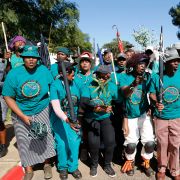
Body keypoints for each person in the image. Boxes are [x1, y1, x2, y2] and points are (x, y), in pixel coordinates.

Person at [2, 45, 56, 180]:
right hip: (21, 110)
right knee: (23, 140)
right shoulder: (14, 74)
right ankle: (28, 168)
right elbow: (8, 96)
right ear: (23, 58)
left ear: (38, 59)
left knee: (44, 136)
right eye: (28, 57)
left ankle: (47, 164)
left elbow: (53, 87)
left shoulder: (43, 70)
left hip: (41, 108)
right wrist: (21, 115)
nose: (31, 60)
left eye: (34, 58)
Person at [79, 65, 118, 178]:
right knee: (93, 143)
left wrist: (111, 106)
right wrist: (94, 108)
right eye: (104, 73)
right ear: (97, 74)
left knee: (110, 141)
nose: (107, 75)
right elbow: (84, 102)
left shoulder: (111, 85)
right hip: (92, 118)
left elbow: (116, 99)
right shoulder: (89, 85)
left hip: (106, 117)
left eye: (108, 73)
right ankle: (94, 164)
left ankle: (107, 165)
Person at [120, 53, 155, 177]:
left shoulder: (148, 76)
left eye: (144, 64)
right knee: (131, 144)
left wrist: (151, 106)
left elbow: (152, 92)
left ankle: (146, 162)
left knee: (150, 143)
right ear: (134, 65)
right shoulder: (125, 76)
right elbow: (125, 94)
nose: (143, 66)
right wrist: (133, 84)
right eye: (140, 64)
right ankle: (129, 161)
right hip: (130, 116)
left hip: (144, 114)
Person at [149, 48, 180, 180]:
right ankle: (161, 168)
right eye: (173, 61)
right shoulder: (156, 76)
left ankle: (174, 170)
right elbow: (151, 93)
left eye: (178, 61)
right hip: (161, 116)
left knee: (175, 144)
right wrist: (156, 102)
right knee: (162, 144)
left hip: (177, 115)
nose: (177, 64)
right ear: (166, 62)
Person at [50, 61, 82, 180]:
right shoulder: (55, 85)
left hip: (74, 117)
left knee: (74, 141)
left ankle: (73, 167)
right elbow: (56, 107)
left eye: (73, 69)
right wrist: (67, 120)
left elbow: (83, 97)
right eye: (69, 70)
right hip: (60, 117)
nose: (73, 72)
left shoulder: (76, 82)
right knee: (62, 143)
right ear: (61, 73)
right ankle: (62, 167)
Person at [0, 49, 9, 158]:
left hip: (1, 94)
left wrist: (5, 61)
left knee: (0, 120)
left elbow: (7, 79)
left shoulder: (4, 62)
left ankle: (3, 145)